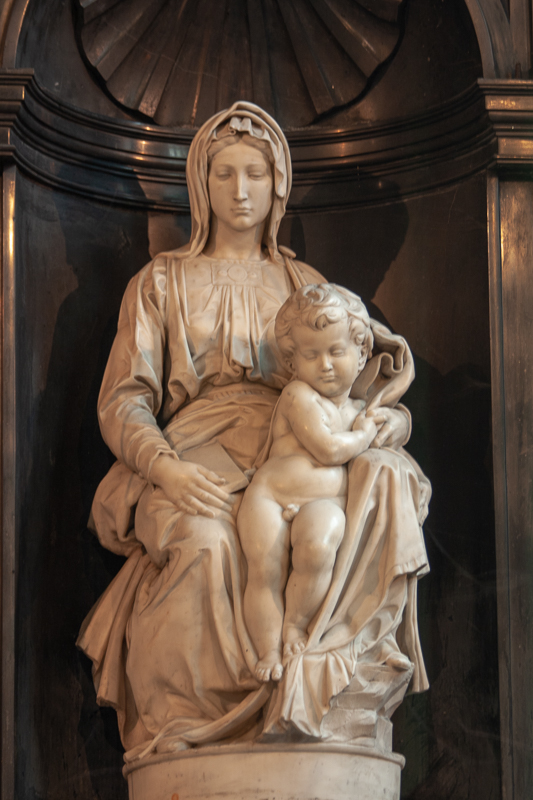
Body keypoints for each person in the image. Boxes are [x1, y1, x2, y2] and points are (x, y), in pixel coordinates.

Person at [77, 102, 429, 760]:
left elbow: (360, 380)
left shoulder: (304, 283)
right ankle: (189, 731)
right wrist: (166, 469)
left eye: (256, 174)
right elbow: (124, 401)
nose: (241, 191)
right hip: (192, 457)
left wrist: (392, 418)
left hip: (293, 454)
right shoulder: (160, 283)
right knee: (207, 542)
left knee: (374, 489)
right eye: (225, 174)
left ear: (279, 186)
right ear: (200, 185)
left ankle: (313, 687)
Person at [239, 284, 392, 682]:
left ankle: (295, 624)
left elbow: (394, 423)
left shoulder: (360, 409)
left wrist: (391, 423)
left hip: (323, 504)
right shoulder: (298, 396)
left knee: (319, 548)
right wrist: (363, 436)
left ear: (361, 354)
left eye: (336, 352)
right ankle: (268, 648)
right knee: (265, 571)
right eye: (311, 355)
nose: (325, 365)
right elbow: (327, 448)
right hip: (271, 498)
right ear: (293, 363)